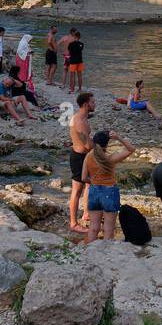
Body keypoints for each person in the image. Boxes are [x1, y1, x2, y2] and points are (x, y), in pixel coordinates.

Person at [82, 130, 135, 243]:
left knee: (93, 227)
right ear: (107, 144)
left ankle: (90, 251)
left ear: (94, 142)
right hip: (109, 192)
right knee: (108, 229)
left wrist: (94, 182)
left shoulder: (88, 156)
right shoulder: (111, 159)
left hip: (94, 191)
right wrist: (119, 138)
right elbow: (131, 149)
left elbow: (83, 178)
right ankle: (105, 252)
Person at [68, 92, 95, 233]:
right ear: (85, 104)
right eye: (92, 102)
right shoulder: (79, 120)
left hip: (85, 157)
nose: (94, 104)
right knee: (77, 190)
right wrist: (100, 144)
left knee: (89, 184)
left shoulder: (83, 118)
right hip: (78, 157)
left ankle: (86, 213)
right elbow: (87, 145)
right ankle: (73, 223)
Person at [66, 29, 85, 93]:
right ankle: (80, 89)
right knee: (79, 75)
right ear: (79, 37)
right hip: (80, 61)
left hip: (73, 61)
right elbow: (80, 49)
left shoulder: (71, 44)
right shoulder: (81, 44)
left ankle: (72, 89)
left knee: (72, 75)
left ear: (74, 36)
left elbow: (68, 53)